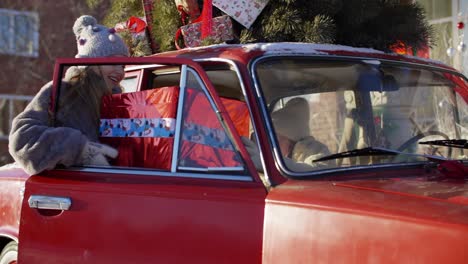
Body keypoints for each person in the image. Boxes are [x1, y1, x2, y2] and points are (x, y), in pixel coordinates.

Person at [8, 15, 129, 175]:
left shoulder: (117, 100)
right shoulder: (63, 91)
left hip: (112, 189)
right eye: (113, 63)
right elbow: (21, 139)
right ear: (92, 63)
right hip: (68, 193)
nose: (120, 72)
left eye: (123, 65)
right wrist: (80, 148)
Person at [242, 97, 330, 172]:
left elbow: (317, 172)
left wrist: (266, 163)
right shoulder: (269, 160)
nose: (268, 146)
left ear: (291, 141)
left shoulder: (315, 150)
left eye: (273, 140)